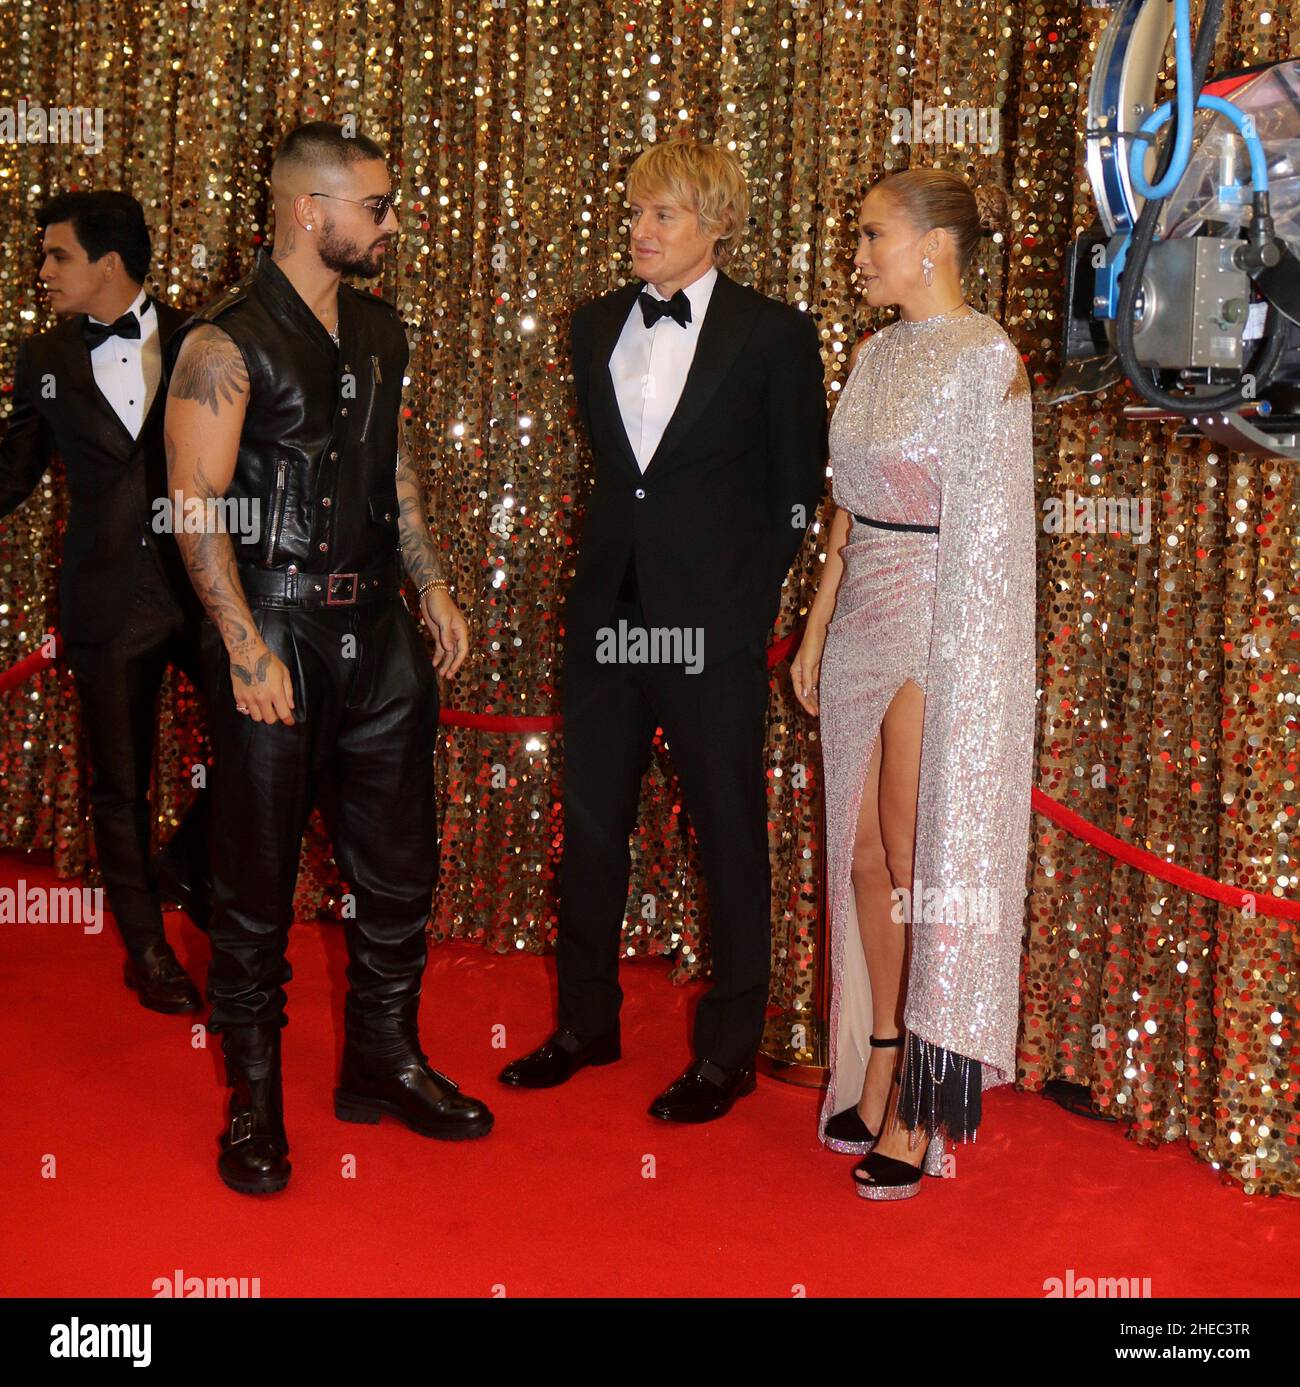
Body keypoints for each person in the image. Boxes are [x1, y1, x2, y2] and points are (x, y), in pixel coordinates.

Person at [163, 121, 492, 1196]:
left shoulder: (380, 332)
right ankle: (252, 1101)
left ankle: (382, 1060)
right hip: (274, 628)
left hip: (379, 636)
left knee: (399, 872)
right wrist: (245, 647)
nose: (393, 224)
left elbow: (388, 471)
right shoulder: (223, 342)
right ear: (312, 212)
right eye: (378, 207)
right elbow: (193, 504)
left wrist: (432, 580)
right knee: (253, 889)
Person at [500, 139, 828, 1122]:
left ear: (716, 224)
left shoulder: (773, 333)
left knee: (727, 830)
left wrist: (740, 605)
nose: (639, 231)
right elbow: (623, 480)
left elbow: (795, 488)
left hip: (709, 630)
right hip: (607, 616)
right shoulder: (592, 322)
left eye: (663, 216)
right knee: (592, 824)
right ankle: (583, 1024)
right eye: (636, 211)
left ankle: (727, 1051)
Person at [790, 169, 1034, 1199]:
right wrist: (813, 626)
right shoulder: (874, 351)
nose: (857, 255)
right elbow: (844, 507)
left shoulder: (986, 359)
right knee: (854, 853)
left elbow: (992, 541)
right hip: (859, 613)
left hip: (939, 619)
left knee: (905, 849)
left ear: (933, 244)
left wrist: (966, 673)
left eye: (871, 235)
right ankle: (878, 1047)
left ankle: (921, 1106)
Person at [0, 190, 211, 1015]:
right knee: (120, 785)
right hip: (103, 601)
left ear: (108, 264)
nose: (42, 270)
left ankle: (190, 864)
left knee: (274, 740)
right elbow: (15, 470)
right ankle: (148, 948)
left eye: (56, 256)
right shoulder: (42, 355)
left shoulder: (204, 336)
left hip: (203, 592)